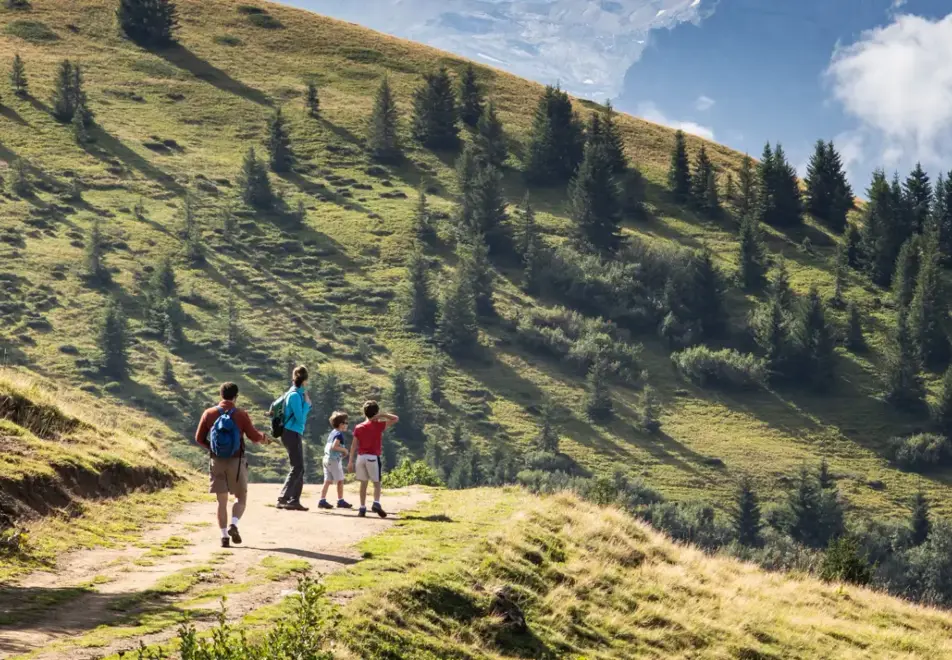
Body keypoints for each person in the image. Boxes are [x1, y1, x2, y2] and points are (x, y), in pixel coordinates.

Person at [194, 382, 271, 548]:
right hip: (236, 461)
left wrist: (213, 448)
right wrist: (263, 437)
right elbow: (253, 436)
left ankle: (223, 537)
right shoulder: (241, 414)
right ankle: (234, 524)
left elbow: (199, 438)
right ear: (236, 397)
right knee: (241, 498)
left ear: (221, 395)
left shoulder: (209, 413)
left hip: (216, 461)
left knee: (221, 502)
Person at [348, 400, 398, 518]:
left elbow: (354, 445)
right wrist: (382, 415)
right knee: (376, 483)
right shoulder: (378, 425)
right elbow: (395, 418)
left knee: (363, 484)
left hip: (360, 458)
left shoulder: (358, 427)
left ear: (364, 412)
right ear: (376, 412)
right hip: (372, 457)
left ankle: (362, 508)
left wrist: (350, 461)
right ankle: (376, 503)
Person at [277, 366, 312, 511]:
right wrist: (307, 405)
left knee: (299, 468)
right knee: (297, 467)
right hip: (292, 432)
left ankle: (294, 500)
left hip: (291, 432)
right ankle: (283, 498)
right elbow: (300, 418)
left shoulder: (294, 393)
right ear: (304, 381)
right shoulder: (295, 396)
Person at [317, 411, 353, 510]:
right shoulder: (339, 434)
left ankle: (322, 500)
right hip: (333, 460)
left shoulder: (332, 433)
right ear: (341, 424)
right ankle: (340, 501)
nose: (347, 425)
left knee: (327, 481)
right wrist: (344, 450)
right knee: (340, 480)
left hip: (326, 459)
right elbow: (334, 447)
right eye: (346, 423)